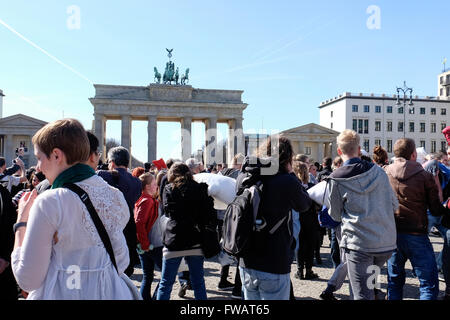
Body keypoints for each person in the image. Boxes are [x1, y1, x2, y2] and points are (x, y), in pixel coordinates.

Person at [11, 119, 136, 299]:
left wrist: (21, 223)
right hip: (111, 292)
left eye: (39, 158)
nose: (38, 167)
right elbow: (121, 260)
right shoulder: (115, 196)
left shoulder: (50, 201)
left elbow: (28, 279)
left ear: (56, 155)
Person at [237, 135, 312, 300]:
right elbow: (304, 204)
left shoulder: (246, 176)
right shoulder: (286, 180)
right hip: (273, 257)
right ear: (287, 157)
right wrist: (291, 173)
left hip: (246, 257)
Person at [326, 129, 398, 300]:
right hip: (384, 244)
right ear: (359, 149)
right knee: (371, 287)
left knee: (361, 294)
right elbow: (394, 204)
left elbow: (335, 215)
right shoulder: (379, 172)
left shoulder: (336, 179)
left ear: (339, 151)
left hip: (359, 244)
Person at [385, 138, 450, 300]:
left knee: (394, 281)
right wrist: (445, 207)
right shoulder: (423, 176)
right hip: (416, 232)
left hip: (392, 233)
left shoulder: (384, 172)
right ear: (414, 154)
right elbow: (435, 209)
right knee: (428, 283)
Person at [156, 162, 215, 300]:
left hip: (174, 240)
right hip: (194, 240)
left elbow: (167, 213)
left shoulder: (169, 189)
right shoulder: (200, 189)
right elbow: (208, 215)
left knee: (165, 284)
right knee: (199, 283)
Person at [98, 146, 141, 277]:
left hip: (107, 227)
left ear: (111, 162)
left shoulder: (102, 175)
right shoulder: (136, 181)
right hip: (128, 227)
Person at [218, 153, 245, 298]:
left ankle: (222, 279)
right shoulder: (241, 175)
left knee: (226, 247)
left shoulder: (222, 173)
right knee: (239, 250)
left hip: (222, 215)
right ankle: (237, 287)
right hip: (235, 215)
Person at [135, 172, 163, 300]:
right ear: (147, 186)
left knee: (148, 276)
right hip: (150, 245)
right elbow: (139, 223)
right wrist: (145, 244)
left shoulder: (143, 199)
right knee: (166, 275)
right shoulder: (147, 201)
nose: (156, 185)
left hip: (145, 244)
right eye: (154, 184)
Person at [293, 161, 320, 280]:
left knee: (300, 245)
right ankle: (309, 270)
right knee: (310, 245)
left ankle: (300, 271)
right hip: (311, 219)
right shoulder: (312, 186)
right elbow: (318, 204)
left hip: (298, 218)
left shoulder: (295, 187)